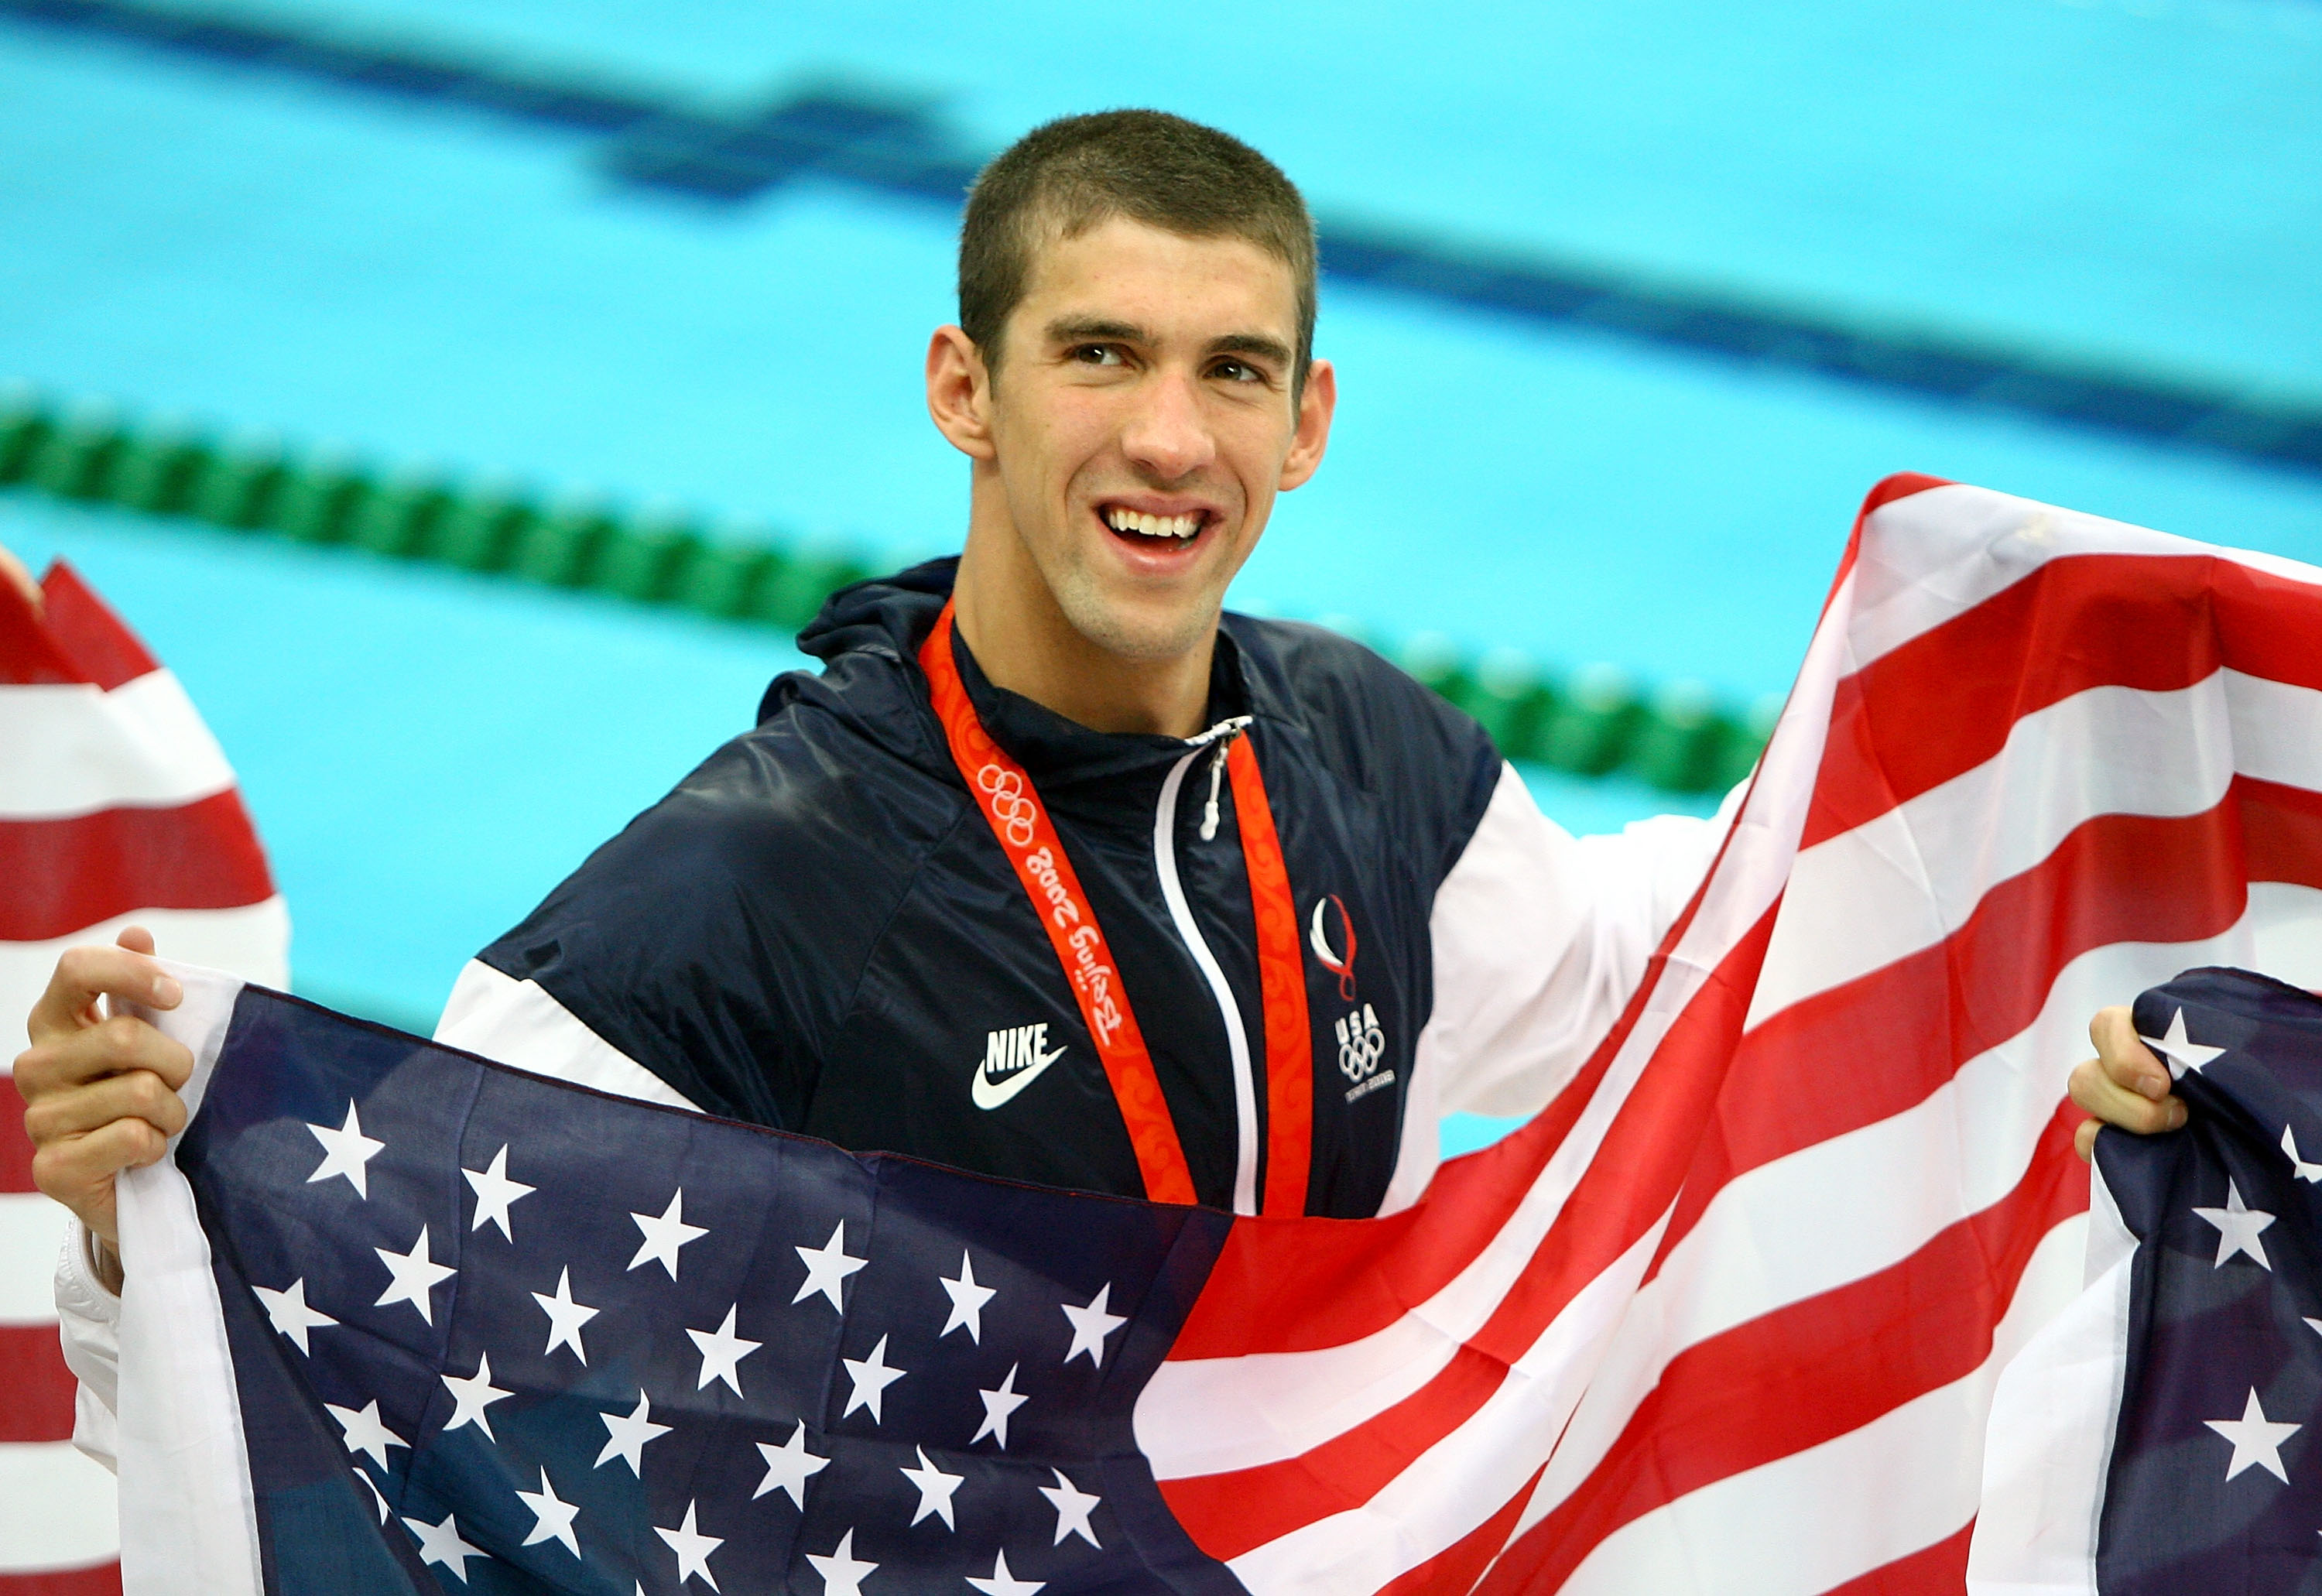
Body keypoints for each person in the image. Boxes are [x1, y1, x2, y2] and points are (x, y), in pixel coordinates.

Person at [14, 112, 2179, 1422]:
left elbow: (1685, 961)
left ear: (1311, 424)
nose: (1170, 438)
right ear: (965, 386)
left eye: (1234, 370)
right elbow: (399, 1373)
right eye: (1102, 357)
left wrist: (2047, 865)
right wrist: (137, 1236)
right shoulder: (718, 923)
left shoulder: (1363, 763)